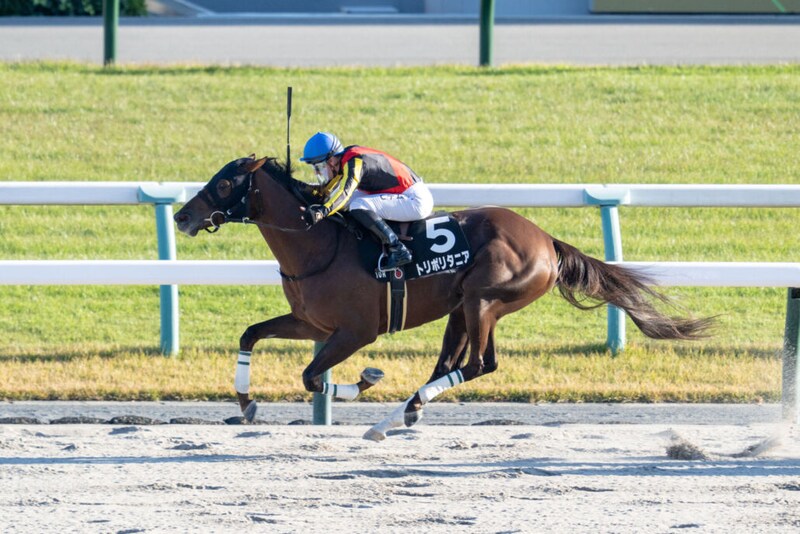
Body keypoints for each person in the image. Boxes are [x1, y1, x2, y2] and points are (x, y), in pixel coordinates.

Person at [299, 131, 434, 270]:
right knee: (350, 201)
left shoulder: (355, 162)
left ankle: (397, 249)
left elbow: (344, 192)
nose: (317, 172)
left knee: (358, 204)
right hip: (406, 194)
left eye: (318, 167)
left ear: (331, 160)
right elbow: (330, 189)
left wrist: (322, 212)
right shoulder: (345, 158)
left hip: (416, 200)